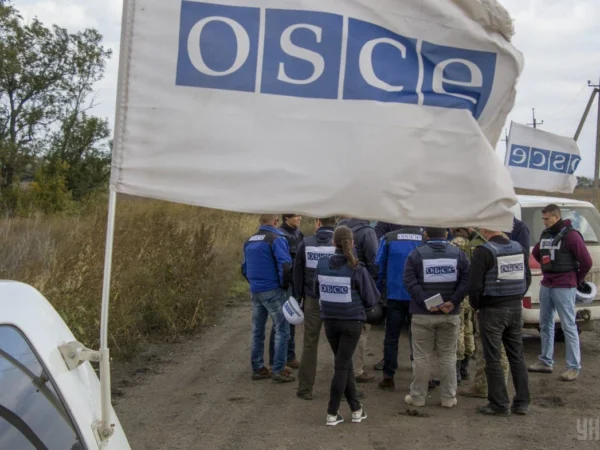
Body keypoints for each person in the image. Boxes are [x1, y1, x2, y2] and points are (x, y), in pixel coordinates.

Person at [314, 225, 379, 426]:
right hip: (352, 323)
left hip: (330, 322)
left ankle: (356, 409)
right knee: (342, 366)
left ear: (333, 242)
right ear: (351, 243)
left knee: (345, 364)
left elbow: (316, 291)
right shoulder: (357, 268)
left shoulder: (321, 265)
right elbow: (372, 298)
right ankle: (332, 412)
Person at [403, 227, 469, 407]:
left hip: (422, 314)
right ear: (446, 234)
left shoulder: (415, 254)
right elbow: (466, 281)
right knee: (448, 357)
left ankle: (417, 397)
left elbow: (409, 281)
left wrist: (426, 301)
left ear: (426, 234)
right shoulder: (458, 254)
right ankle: (448, 398)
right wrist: (453, 301)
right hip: (450, 314)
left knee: (421, 357)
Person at [468, 227, 531, 415]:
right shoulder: (518, 248)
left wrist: (477, 306)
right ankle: (522, 403)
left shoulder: (484, 251)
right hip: (515, 308)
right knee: (517, 357)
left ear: (485, 229)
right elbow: (527, 278)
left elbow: (474, 286)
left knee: (493, 358)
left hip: (492, 311)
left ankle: (499, 404)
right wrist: (516, 296)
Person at [528, 204, 592, 381]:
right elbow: (537, 252)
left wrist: (575, 280)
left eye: (547, 218)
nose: (544, 222)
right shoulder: (546, 234)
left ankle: (573, 367)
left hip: (564, 286)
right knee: (545, 323)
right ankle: (545, 361)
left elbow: (586, 262)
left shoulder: (571, 236)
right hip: (547, 284)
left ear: (557, 217)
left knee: (568, 326)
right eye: (543, 218)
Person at [455, 227, 510, 399]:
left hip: (487, 304)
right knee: (502, 350)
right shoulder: (510, 244)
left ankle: (485, 388)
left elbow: (473, 282)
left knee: (486, 348)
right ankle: (498, 388)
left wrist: (476, 304)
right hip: (507, 302)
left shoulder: (481, 247)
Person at [241, 214, 294, 382]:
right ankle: (278, 369)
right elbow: (285, 266)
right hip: (273, 290)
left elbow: (244, 268)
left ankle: (258, 368)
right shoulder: (277, 239)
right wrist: (283, 285)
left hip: (256, 290)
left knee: (257, 330)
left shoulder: (249, 241)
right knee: (282, 329)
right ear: (276, 220)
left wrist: (254, 283)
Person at [375, 225, 424, 391]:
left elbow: (379, 266)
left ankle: (388, 376)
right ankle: (421, 375)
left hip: (394, 294)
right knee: (419, 337)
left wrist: (377, 292)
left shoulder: (389, 238)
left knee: (391, 336)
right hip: (417, 296)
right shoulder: (424, 238)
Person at [295, 217, 336, 400]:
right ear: (335, 223)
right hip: (335, 299)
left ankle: (305, 388)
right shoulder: (340, 243)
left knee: (310, 343)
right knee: (341, 344)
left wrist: (299, 296)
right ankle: (344, 388)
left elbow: (298, 272)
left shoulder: (306, 243)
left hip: (312, 299)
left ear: (318, 222)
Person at [337, 217, 379, 383]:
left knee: (340, 329)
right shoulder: (367, 232)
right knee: (359, 330)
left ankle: (342, 365)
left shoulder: (340, 227)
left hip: (339, 286)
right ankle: (356, 370)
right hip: (359, 285)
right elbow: (374, 261)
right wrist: (373, 285)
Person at [268, 214, 304, 369]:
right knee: (281, 321)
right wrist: (284, 283)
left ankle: (289, 356)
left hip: (296, 282)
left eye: (300, 215)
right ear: (286, 218)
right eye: (296, 216)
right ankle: (274, 360)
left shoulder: (298, 233)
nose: (299, 218)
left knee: (292, 318)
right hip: (286, 284)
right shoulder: (280, 235)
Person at [449, 233, 475, 384]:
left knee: (458, 333)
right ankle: (465, 368)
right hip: (468, 298)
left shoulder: (457, 243)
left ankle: (457, 371)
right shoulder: (471, 245)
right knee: (468, 330)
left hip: (459, 298)